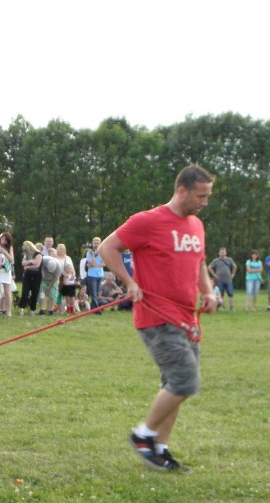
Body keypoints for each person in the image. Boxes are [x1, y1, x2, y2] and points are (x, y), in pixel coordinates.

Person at [99, 165, 218, 472]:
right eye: (200, 195)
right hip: (156, 317)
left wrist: (207, 292)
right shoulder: (148, 221)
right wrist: (130, 282)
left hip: (186, 319)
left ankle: (160, 449)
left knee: (174, 385)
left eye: (208, 195)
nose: (205, 202)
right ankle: (143, 435)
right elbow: (107, 247)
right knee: (185, 381)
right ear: (182, 191)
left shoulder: (196, 226)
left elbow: (200, 262)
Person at [208, 247, 237, 311]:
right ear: (219, 253)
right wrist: (214, 275)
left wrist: (233, 274)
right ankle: (224, 307)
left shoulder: (229, 259)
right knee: (221, 294)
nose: (222, 253)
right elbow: (209, 267)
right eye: (221, 252)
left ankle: (232, 307)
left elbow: (235, 266)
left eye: (223, 252)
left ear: (226, 253)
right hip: (219, 280)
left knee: (230, 293)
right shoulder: (216, 260)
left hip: (228, 280)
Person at [17, 240, 43, 316]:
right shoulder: (25, 254)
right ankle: (22, 308)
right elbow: (23, 263)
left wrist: (28, 265)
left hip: (36, 276)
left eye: (23, 245)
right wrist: (32, 262)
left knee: (34, 293)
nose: (22, 247)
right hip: (27, 276)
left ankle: (32, 309)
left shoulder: (38, 254)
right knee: (25, 292)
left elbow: (37, 265)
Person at [39, 250, 63, 314]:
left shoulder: (58, 266)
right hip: (43, 279)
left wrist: (49, 287)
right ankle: (42, 309)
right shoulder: (43, 260)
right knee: (42, 293)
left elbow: (56, 277)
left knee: (52, 294)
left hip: (53, 280)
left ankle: (50, 310)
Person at [84, 237, 105, 310]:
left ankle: (93, 307)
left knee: (97, 292)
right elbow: (91, 263)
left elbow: (104, 263)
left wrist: (95, 265)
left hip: (100, 275)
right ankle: (97, 309)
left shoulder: (103, 252)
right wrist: (93, 255)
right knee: (93, 293)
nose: (96, 245)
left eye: (98, 243)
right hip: (92, 275)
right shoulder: (89, 253)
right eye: (95, 243)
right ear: (92, 244)